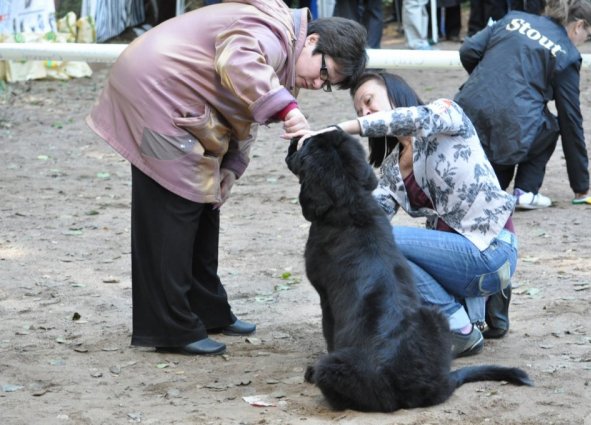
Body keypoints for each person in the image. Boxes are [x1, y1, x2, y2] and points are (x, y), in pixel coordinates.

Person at [86, 0, 368, 356]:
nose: (318, 83)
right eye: (324, 72)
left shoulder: (283, 51)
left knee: (207, 201)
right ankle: (169, 328)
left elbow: (244, 111)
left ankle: (207, 310)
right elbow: (237, 62)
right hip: (154, 90)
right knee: (175, 202)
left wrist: (231, 168)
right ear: (312, 41)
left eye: (328, 84)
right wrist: (287, 108)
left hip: (176, 93)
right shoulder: (272, 35)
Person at [287, 71, 518, 358]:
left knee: (387, 239)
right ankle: (468, 318)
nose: (366, 111)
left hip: (493, 249)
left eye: (369, 101)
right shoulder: (393, 169)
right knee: (370, 241)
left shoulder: (446, 114)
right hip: (460, 265)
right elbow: (365, 223)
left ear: (395, 91)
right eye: (360, 110)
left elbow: (412, 119)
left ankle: (459, 326)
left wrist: (340, 129)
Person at [454, 0, 591, 209]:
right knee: (551, 126)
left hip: (466, 114)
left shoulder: (514, 17)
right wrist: (581, 185)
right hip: (509, 132)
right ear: (579, 26)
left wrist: (487, 78)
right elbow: (570, 119)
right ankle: (525, 190)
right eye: (588, 34)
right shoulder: (567, 54)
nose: (585, 40)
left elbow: (469, 50)